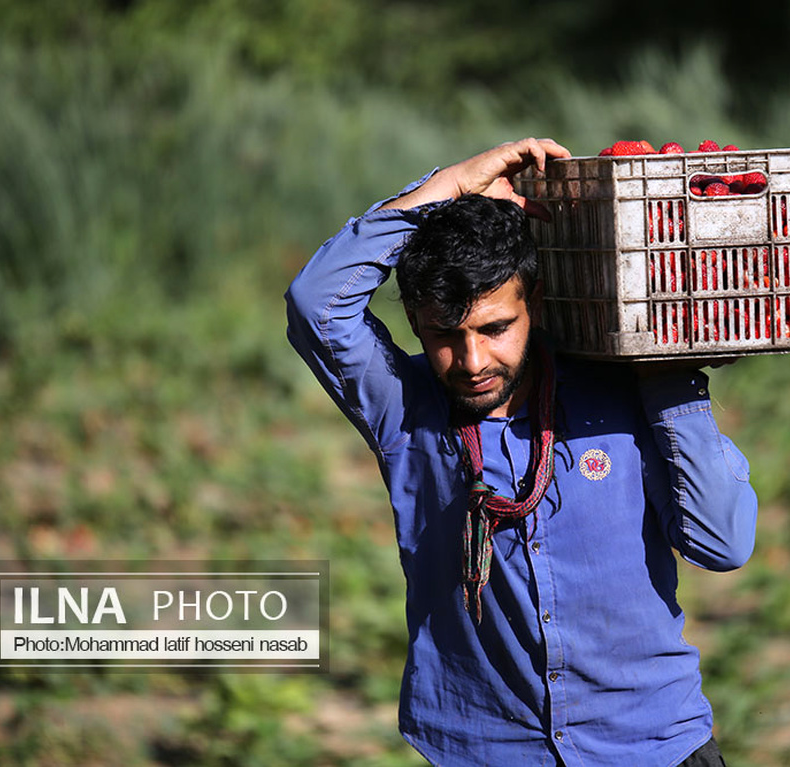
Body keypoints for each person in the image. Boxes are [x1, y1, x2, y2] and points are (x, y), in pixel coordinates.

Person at [285, 138, 758, 766]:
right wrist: (446, 186)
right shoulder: (407, 410)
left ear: (532, 305)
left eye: (494, 329)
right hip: (487, 749)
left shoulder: (621, 389)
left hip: (653, 744)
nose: (473, 362)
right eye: (444, 336)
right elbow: (316, 303)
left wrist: (670, 380)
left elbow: (721, 544)